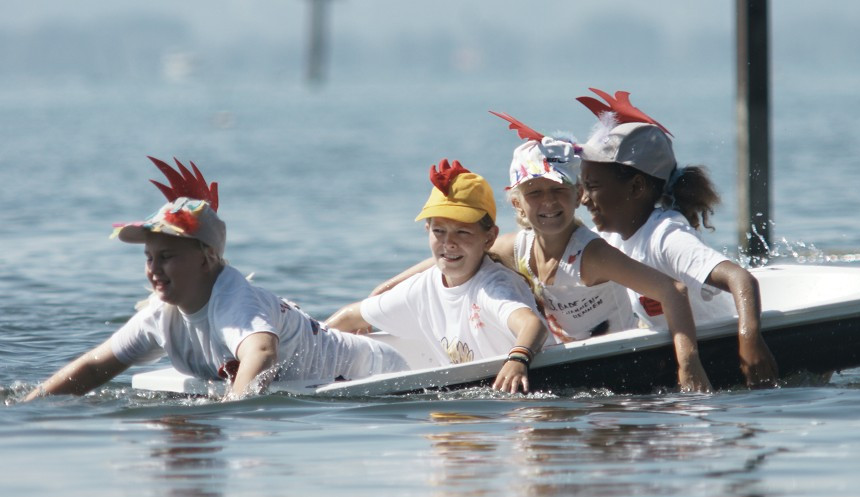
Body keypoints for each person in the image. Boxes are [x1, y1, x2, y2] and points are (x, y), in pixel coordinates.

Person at [372, 115, 712, 393]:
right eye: (535, 193)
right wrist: (387, 289)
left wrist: (689, 365)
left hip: (624, 362)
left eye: (558, 191)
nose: (548, 203)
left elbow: (672, 290)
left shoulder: (592, 255)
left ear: (578, 194)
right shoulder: (514, 247)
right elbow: (445, 259)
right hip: (571, 365)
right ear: (517, 202)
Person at [24, 157, 408, 402]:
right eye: (149, 258)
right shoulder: (161, 315)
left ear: (207, 258)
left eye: (168, 257)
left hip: (380, 372)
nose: (154, 269)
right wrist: (30, 408)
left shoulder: (233, 299)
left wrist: (233, 412)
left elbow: (261, 352)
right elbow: (93, 367)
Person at [576, 87, 779, 388]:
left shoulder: (665, 235)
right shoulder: (607, 242)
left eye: (592, 186)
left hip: (724, 348)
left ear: (636, 187)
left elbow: (741, 279)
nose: (583, 199)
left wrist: (750, 340)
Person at [326, 159, 548, 394]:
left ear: (490, 237)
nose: (449, 243)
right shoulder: (423, 287)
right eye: (439, 231)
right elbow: (351, 316)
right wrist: (309, 342)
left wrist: (518, 359)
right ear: (427, 230)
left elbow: (533, 325)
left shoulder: (493, 287)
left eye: (462, 232)